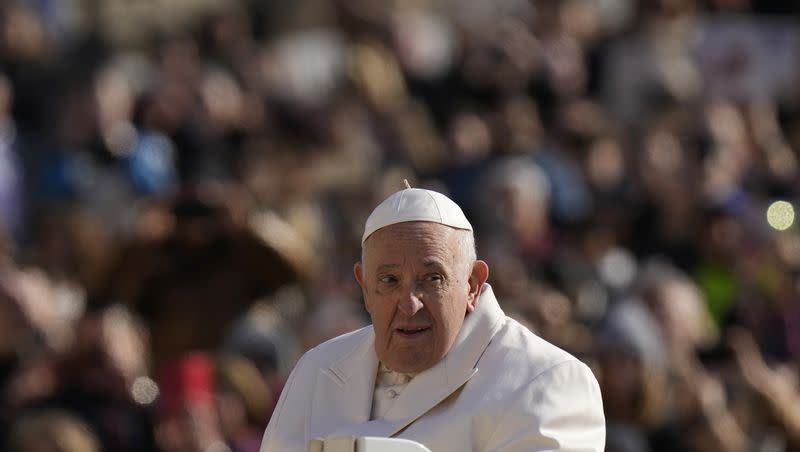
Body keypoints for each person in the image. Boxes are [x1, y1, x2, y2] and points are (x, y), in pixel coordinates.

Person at [260, 183, 605, 451]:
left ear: (472, 284)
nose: (409, 304)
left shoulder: (547, 381)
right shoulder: (316, 371)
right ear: (364, 288)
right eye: (389, 281)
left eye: (432, 279)